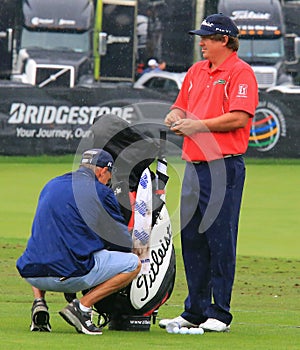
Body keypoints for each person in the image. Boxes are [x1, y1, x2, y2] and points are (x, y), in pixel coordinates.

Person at [159, 13, 258, 332]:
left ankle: (220, 312)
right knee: (193, 239)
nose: (201, 42)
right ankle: (194, 311)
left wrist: (197, 125)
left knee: (220, 239)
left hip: (224, 166)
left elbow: (239, 118)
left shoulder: (240, 72)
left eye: (207, 37)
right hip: (194, 166)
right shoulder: (196, 71)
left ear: (225, 41)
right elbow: (181, 105)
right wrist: (175, 115)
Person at [16, 149, 141, 335]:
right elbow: (122, 243)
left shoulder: (51, 184)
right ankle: (82, 307)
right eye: (109, 175)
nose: (108, 181)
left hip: (32, 274)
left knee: (42, 243)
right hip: (71, 276)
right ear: (101, 171)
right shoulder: (101, 192)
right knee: (133, 264)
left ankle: (39, 303)